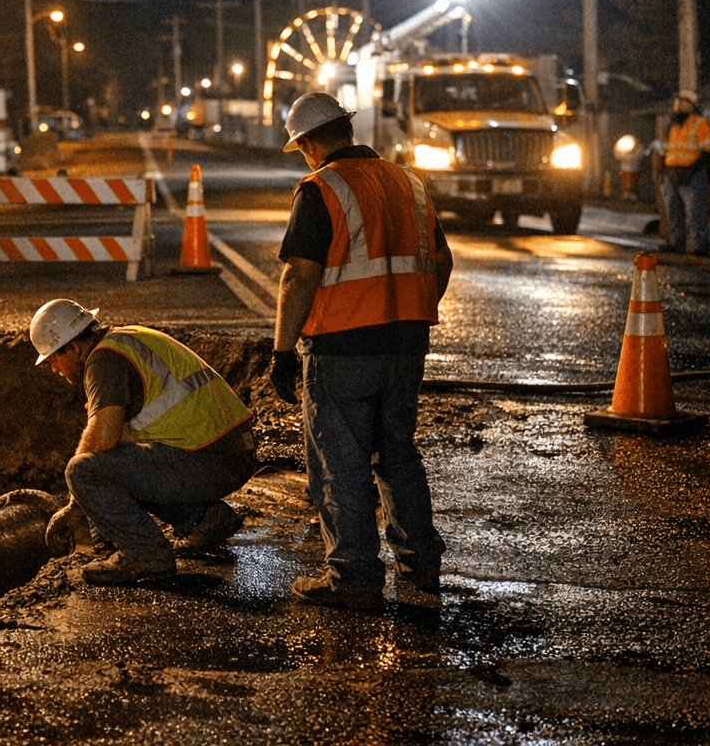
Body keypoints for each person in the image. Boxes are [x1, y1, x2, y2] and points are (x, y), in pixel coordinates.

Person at [271, 91, 453, 612]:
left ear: (308, 142)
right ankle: (421, 567)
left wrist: (284, 350)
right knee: (398, 455)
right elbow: (442, 262)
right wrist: (412, 310)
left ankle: (352, 577)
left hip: (344, 348)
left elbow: (299, 275)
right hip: (406, 346)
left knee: (340, 466)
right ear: (347, 128)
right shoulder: (409, 182)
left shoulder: (320, 187)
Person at [30, 299, 258, 585]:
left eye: (54, 359)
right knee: (114, 464)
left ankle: (145, 554)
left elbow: (101, 440)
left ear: (74, 347)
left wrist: (76, 503)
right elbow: (119, 442)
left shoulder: (103, 361)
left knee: (82, 471)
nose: (55, 369)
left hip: (211, 458)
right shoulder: (126, 338)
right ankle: (203, 519)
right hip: (231, 451)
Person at [660, 90, 710, 257]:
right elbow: (666, 150)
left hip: (694, 174)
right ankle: (677, 244)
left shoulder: (700, 124)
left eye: (681, 103)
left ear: (690, 106)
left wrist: (692, 170)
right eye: (677, 103)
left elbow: (707, 151)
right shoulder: (673, 126)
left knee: (695, 210)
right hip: (673, 173)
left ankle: (701, 246)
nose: (677, 107)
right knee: (674, 210)